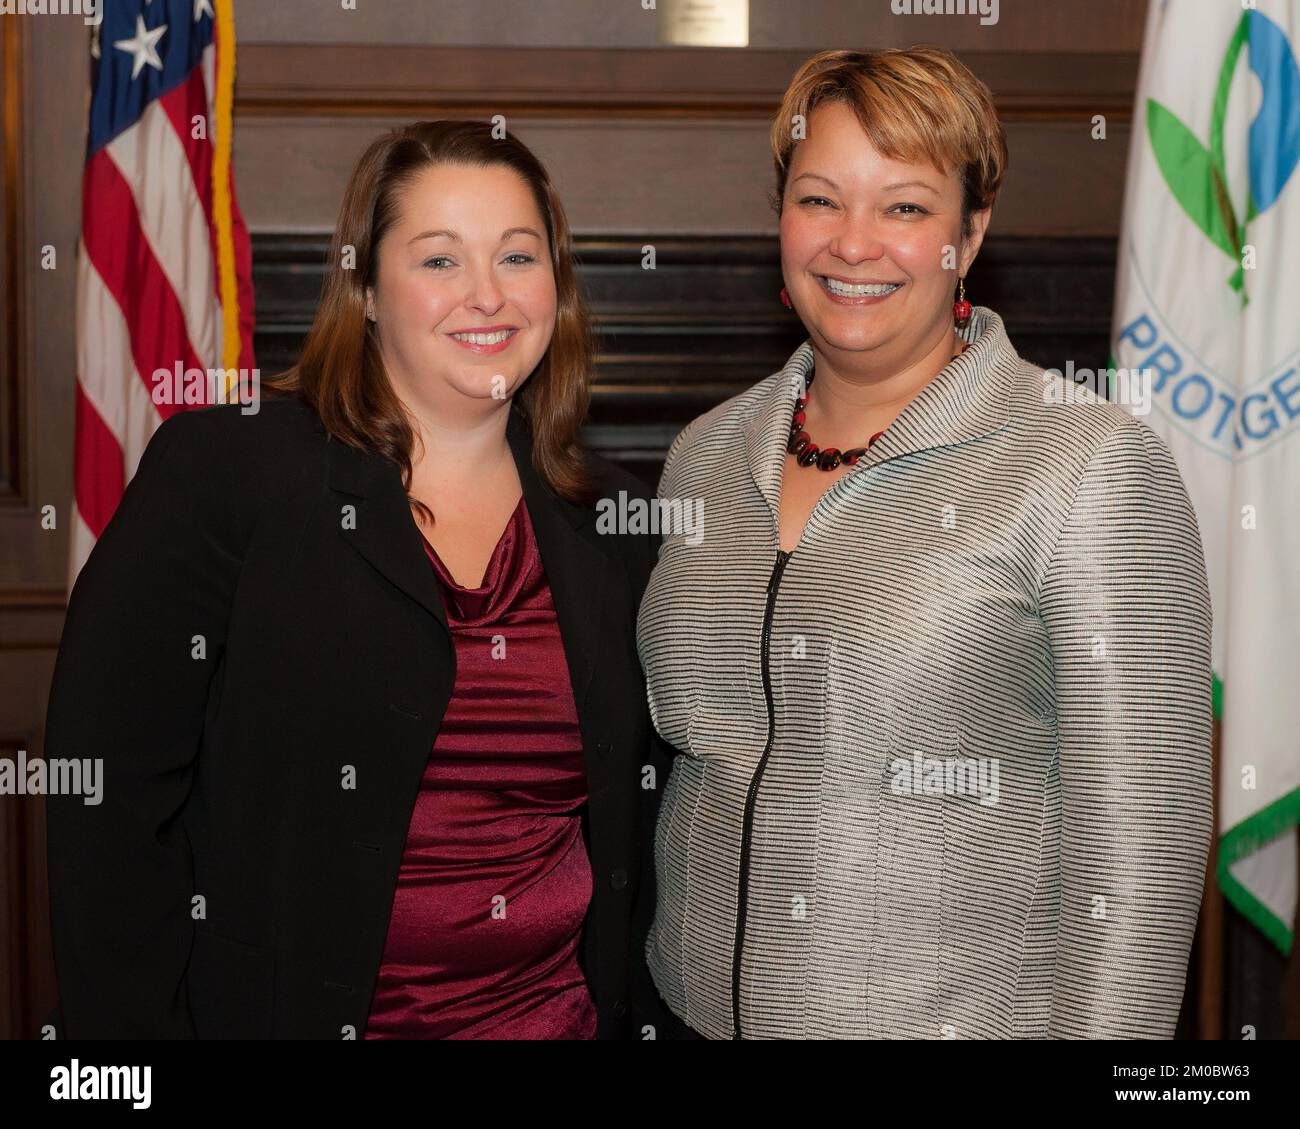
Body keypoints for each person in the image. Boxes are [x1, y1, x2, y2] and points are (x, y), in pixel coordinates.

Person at [637, 47, 1213, 1039]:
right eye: (820, 199)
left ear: (970, 228)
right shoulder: (703, 455)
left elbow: (1140, 856)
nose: (853, 244)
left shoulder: (1087, 465)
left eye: (904, 207)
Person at [44, 120, 663, 1039]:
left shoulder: (612, 526)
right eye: (440, 260)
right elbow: (109, 797)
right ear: (367, 289)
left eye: (518, 256)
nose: (486, 295)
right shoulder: (228, 474)